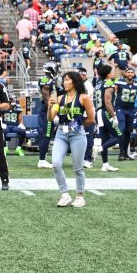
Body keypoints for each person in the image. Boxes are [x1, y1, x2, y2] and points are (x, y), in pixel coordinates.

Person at [48, 71, 96, 208]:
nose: (64, 82)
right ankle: (64, 194)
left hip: (77, 134)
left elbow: (91, 119)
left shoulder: (84, 98)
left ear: (74, 82)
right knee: (56, 163)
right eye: (63, 80)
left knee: (78, 168)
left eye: (67, 80)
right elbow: (50, 118)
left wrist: (78, 125)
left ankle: (80, 196)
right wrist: (50, 106)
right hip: (61, 134)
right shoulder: (59, 98)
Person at [95, 63, 121, 172]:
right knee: (118, 136)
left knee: (105, 139)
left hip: (99, 112)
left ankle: (105, 164)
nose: (113, 73)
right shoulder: (109, 83)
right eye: (112, 71)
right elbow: (107, 101)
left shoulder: (99, 83)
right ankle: (99, 149)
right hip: (105, 111)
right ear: (108, 73)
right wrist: (114, 115)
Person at [112, 66, 137, 160]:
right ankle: (121, 153)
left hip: (131, 110)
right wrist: (113, 111)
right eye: (128, 72)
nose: (130, 74)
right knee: (122, 130)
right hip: (120, 109)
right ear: (125, 73)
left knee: (128, 132)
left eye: (131, 72)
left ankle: (125, 153)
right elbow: (114, 96)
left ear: (134, 74)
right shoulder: (119, 81)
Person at [34, 63, 58, 169]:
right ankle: (42, 160)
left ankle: (43, 158)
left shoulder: (49, 80)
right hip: (47, 111)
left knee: (48, 135)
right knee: (46, 135)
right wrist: (52, 111)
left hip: (49, 110)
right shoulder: (45, 80)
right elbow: (46, 97)